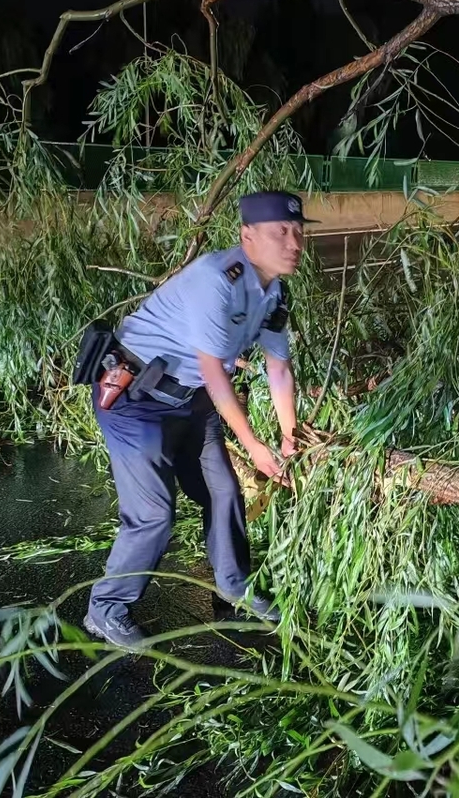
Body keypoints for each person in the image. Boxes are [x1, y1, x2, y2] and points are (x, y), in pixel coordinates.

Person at [83, 190, 312, 649]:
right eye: (280, 232)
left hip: (193, 404)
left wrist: (289, 439)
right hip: (136, 400)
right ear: (248, 237)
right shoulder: (217, 280)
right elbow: (215, 373)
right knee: (153, 515)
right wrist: (253, 446)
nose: (294, 243)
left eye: (299, 232)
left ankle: (233, 586)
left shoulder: (274, 292)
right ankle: (105, 609)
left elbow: (278, 368)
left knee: (223, 492)